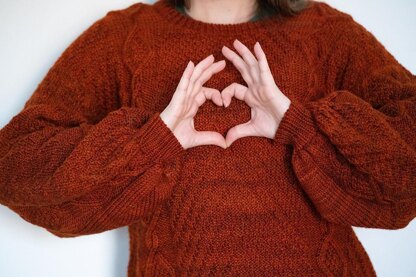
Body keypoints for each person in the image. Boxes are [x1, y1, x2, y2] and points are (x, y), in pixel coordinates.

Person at [0, 0, 415, 275]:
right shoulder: (123, 38)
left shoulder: (327, 34)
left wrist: (300, 126)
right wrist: (150, 143)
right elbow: (14, 165)